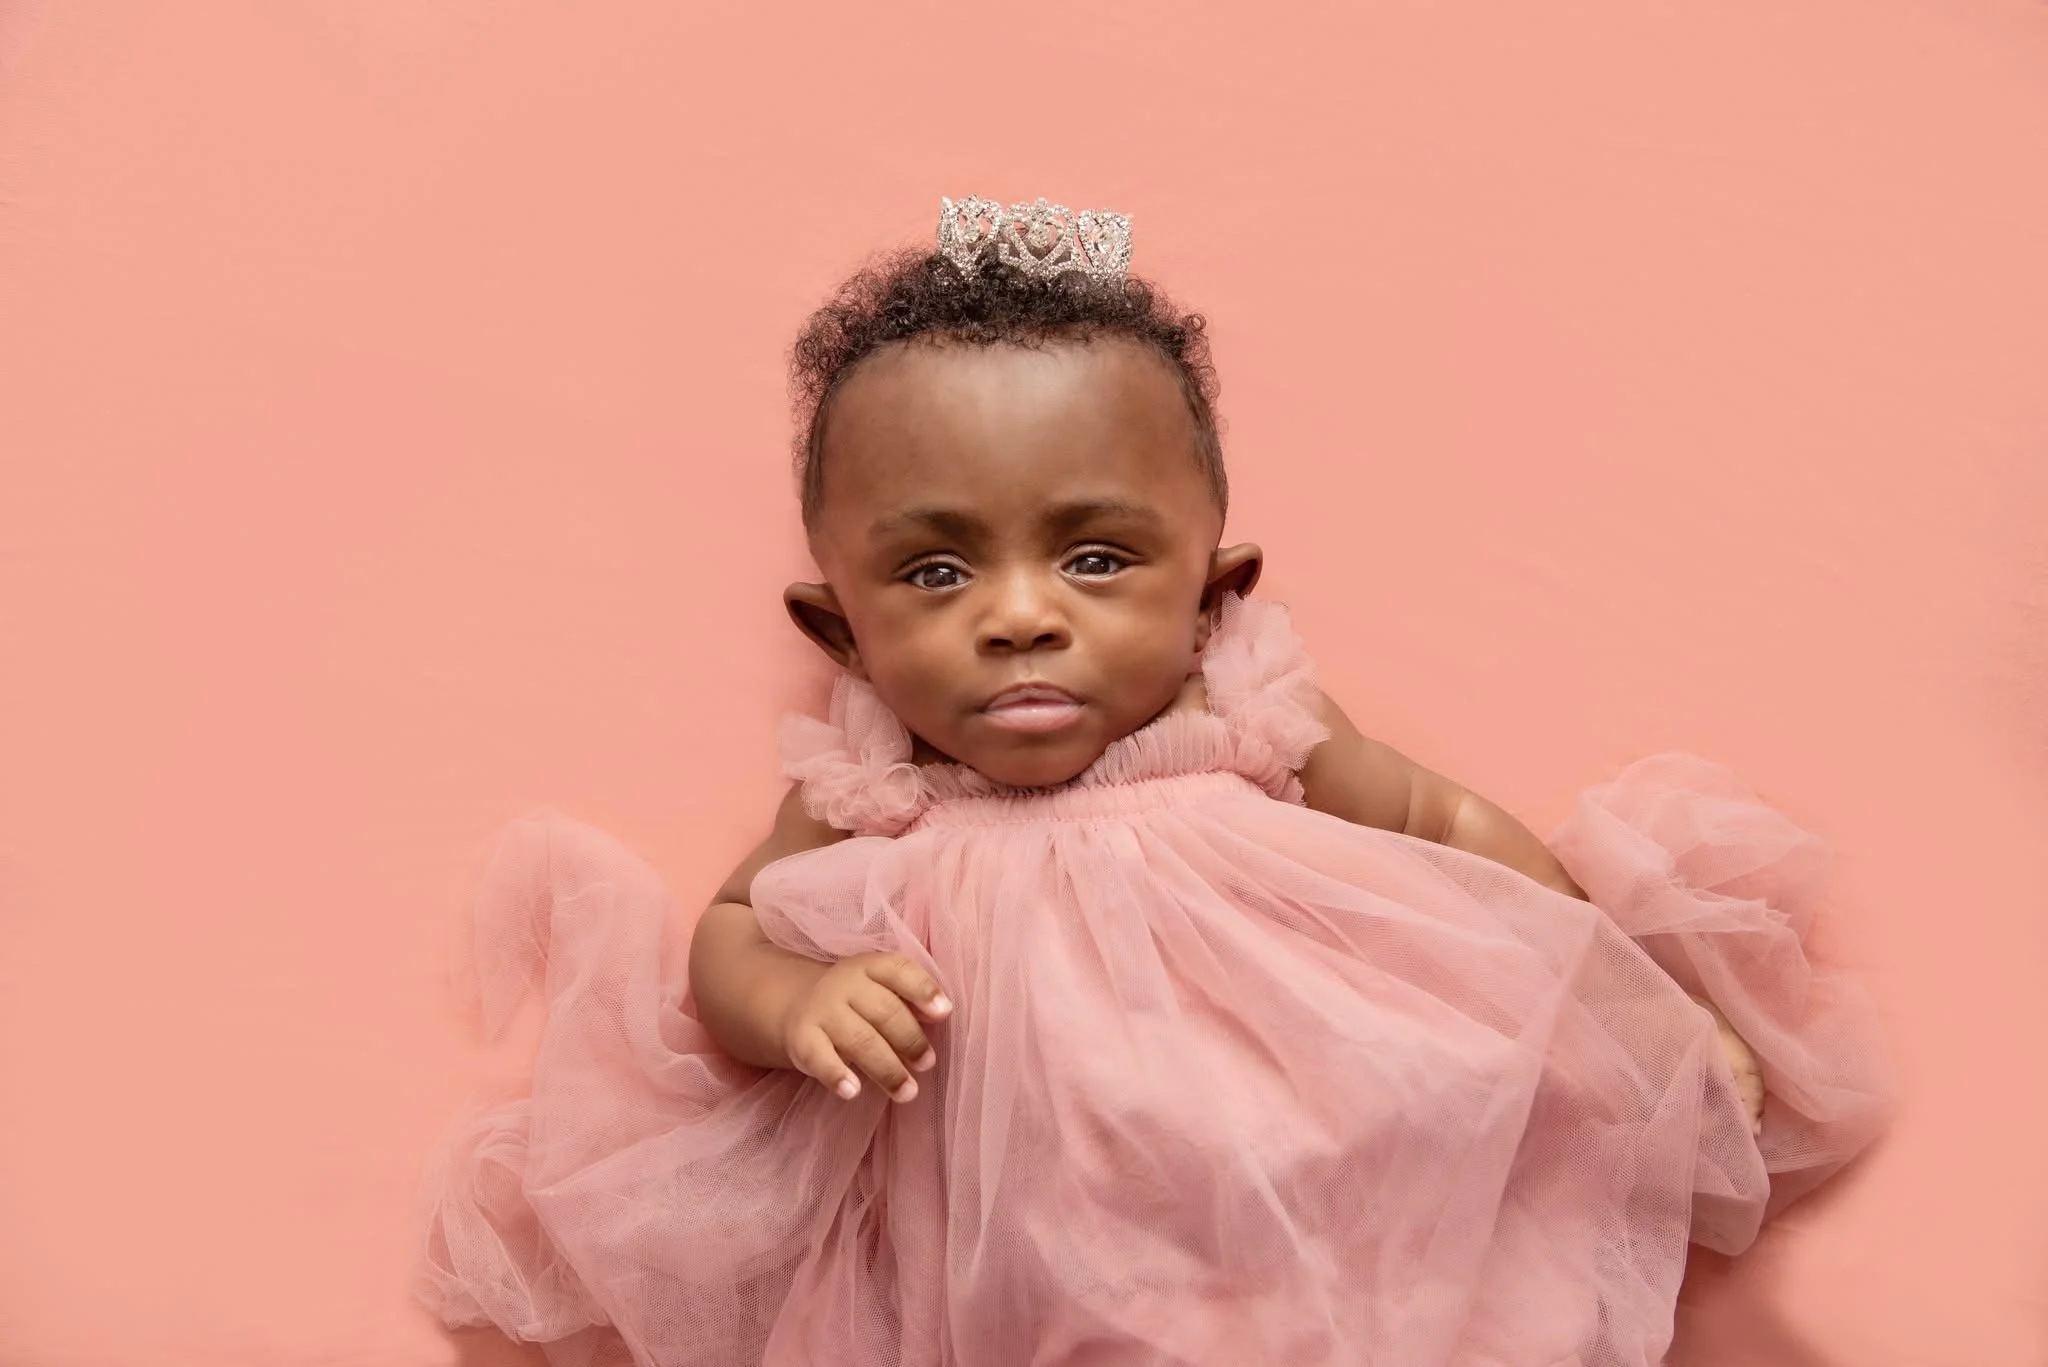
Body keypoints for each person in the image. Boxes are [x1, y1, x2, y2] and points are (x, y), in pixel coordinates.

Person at [418, 196, 1889, 1366]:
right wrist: (796, 1002)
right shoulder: (875, 775)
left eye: (1096, 556)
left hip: (1281, 1184)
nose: (1020, 615)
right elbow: (733, 929)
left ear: (1210, 594)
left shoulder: (1236, 712)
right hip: (992, 1248)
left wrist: (1636, 1005)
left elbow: (1441, 825)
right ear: (840, 629)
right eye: (935, 572)